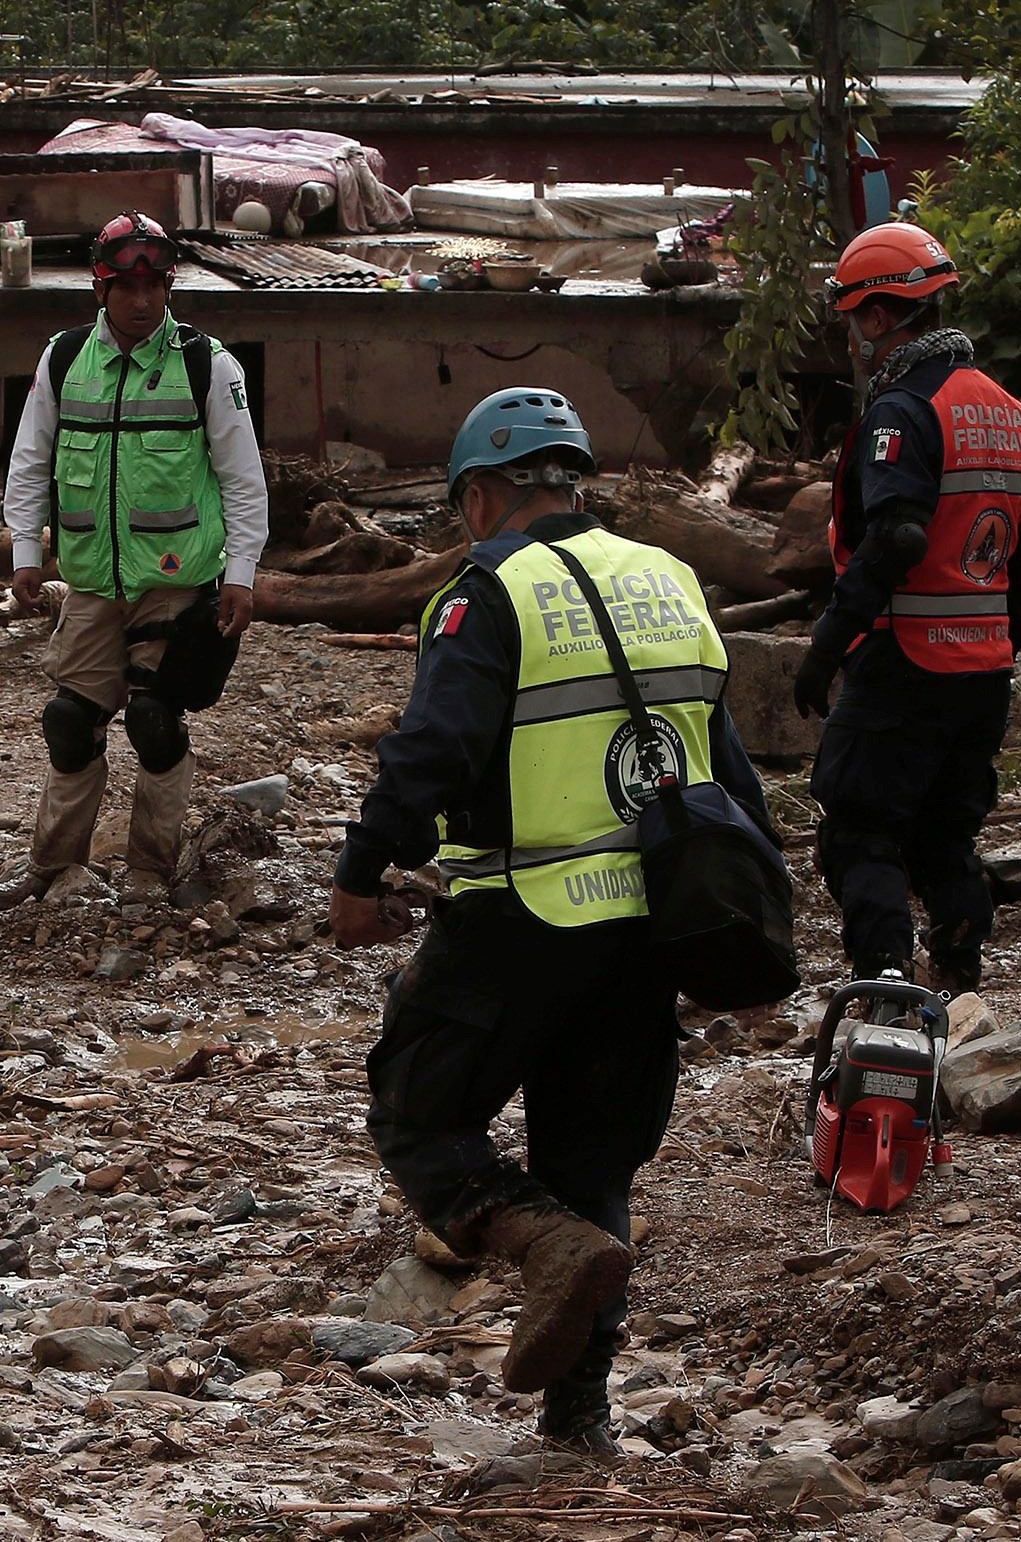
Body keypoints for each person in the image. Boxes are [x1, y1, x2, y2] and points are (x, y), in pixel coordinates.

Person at [330, 387, 776, 1452]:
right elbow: (722, 760)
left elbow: (435, 749)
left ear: (481, 495)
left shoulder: (486, 592)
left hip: (518, 916)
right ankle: (581, 1419)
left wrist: (361, 866)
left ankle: (541, 1244)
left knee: (417, 1114)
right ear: (573, 481)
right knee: (593, 1165)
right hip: (653, 922)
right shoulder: (669, 576)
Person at [791, 223, 1021, 989]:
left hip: (902, 660)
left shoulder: (903, 409)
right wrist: (1007, 639)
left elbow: (898, 536)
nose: (851, 340)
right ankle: (960, 978)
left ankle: (886, 987)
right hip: (982, 670)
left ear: (878, 316)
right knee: (945, 831)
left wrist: (830, 642)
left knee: (860, 830)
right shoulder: (1008, 411)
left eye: (852, 321)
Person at [0, 213, 267, 902]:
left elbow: (243, 479)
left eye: (155, 287)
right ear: (101, 288)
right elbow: (30, 461)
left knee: (154, 721)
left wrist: (240, 574)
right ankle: (53, 866)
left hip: (175, 583)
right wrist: (26, 549)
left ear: (169, 287)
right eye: (127, 287)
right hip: (91, 580)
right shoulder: (64, 360)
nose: (142, 301)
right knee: (69, 721)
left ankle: (150, 866)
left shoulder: (207, 365)